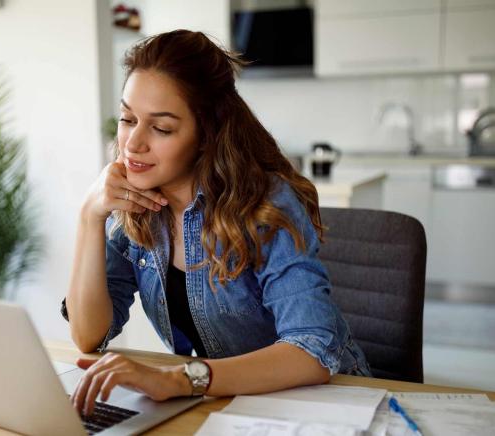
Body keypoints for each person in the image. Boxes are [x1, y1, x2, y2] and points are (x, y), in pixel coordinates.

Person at [65, 29, 371, 417]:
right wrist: (89, 217)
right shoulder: (135, 207)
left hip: (321, 405)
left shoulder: (265, 204)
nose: (132, 143)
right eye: (128, 119)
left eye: (161, 128)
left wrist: (180, 379)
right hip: (228, 404)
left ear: (207, 134)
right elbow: (88, 335)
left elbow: (311, 349)